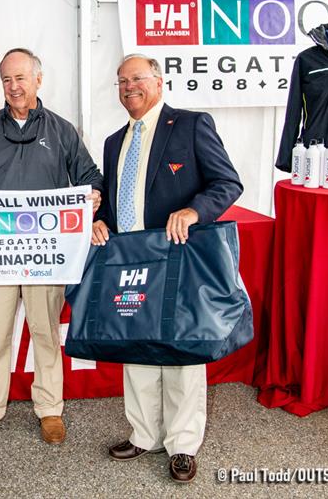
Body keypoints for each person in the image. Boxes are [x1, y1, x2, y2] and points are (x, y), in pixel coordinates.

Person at [92, 54, 242, 483]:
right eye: (121, 81)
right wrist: (100, 218)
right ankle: (143, 434)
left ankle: (182, 444)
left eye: (137, 78)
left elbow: (227, 182)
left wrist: (195, 211)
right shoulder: (113, 141)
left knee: (180, 353)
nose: (128, 87)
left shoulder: (192, 124)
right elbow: (113, 192)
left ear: (158, 82)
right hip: (130, 260)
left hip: (178, 259)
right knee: (135, 350)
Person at [0, 48, 103, 445]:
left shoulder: (63, 131)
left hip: (45, 255)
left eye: (21, 78)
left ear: (38, 80)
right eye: (7, 80)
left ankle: (50, 408)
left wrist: (94, 197)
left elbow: (89, 176)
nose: (13, 87)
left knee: (45, 331)